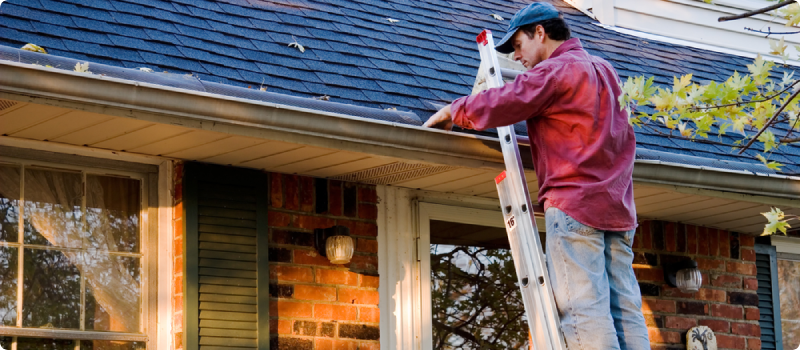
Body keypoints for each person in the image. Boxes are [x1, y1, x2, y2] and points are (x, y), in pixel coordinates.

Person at [423, 2, 651, 350]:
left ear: (540, 33)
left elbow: (506, 101)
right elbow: (599, 135)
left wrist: (455, 109)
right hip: (618, 211)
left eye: (518, 45)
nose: (516, 57)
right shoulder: (606, 71)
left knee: (584, 311)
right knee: (626, 310)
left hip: (575, 208)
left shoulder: (555, 71)